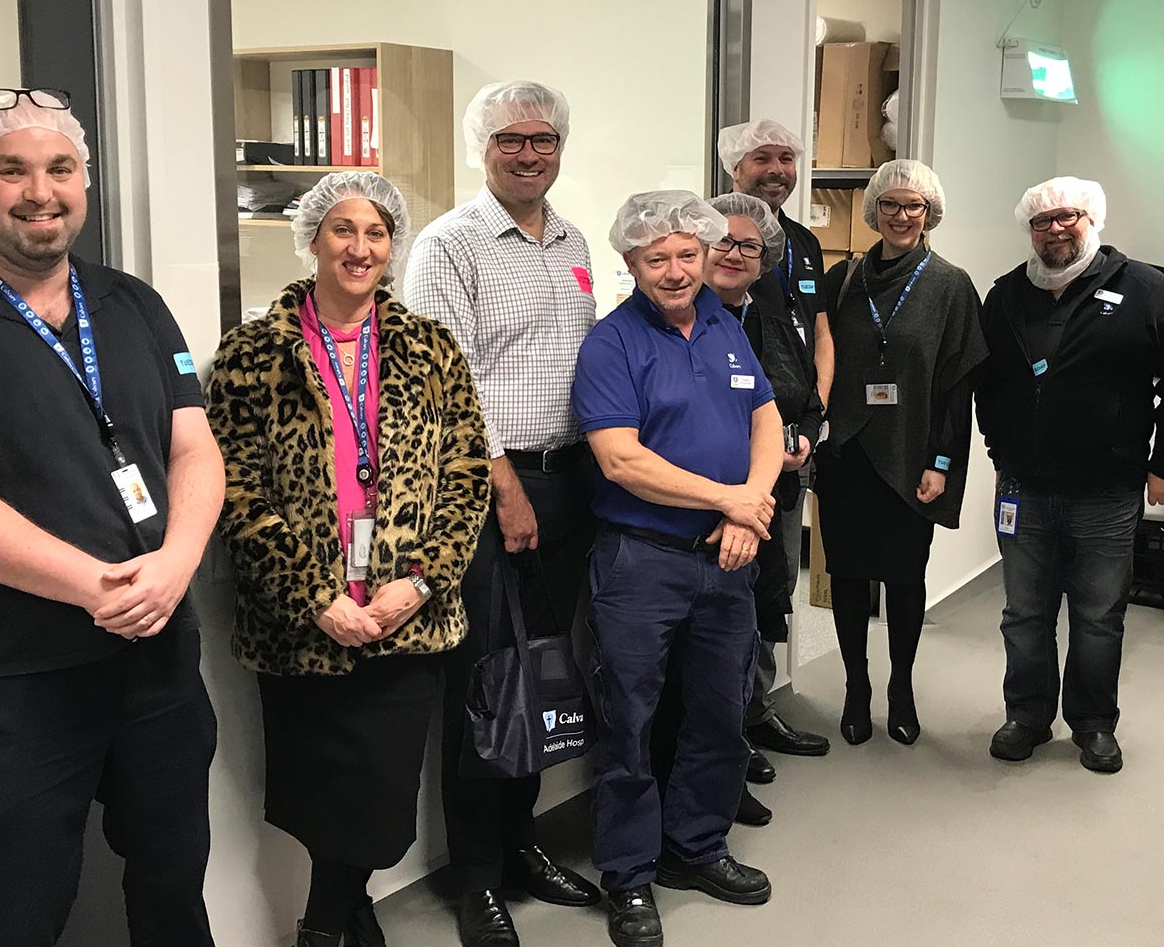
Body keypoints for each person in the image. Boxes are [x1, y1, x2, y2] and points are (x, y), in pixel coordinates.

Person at [0, 88, 224, 945]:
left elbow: (194, 451)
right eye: (10, 170)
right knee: (14, 909)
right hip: (13, 675)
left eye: (60, 168)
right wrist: (99, 587)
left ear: (84, 180)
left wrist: (173, 566)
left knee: (173, 883)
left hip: (156, 657)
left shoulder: (131, 302)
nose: (40, 191)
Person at [207, 172, 491, 947]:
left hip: (406, 619)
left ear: (392, 245)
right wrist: (314, 597)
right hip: (304, 627)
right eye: (343, 230)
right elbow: (235, 491)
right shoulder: (253, 353)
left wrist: (420, 582)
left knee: (382, 805)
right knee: (319, 795)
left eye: (375, 233)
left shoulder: (432, 348)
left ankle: (325, 925)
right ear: (313, 239)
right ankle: (340, 923)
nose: (360, 248)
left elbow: (467, 478)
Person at [405, 81, 600, 947]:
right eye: (512, 140)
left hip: (572, 483)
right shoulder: (450, 246)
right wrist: (504, 486)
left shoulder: (574, 241)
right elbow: (449, 382)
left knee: (547, 669)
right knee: (485, 684)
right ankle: (475, 876)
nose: (530, 154)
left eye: (544, 139)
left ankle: (522, 842)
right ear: (482, 147)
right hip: (490, 491)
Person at [573, 190, 783, 947]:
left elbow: (765, 415)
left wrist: (749, 506)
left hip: (728, 559)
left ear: (706, 255)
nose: (674, 269)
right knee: (628, 721)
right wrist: (732, 500)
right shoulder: (611, 344)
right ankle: (628, 876)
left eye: (686, 254)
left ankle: (696, 848)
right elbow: (620, 459)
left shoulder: (725, 325)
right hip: (642, 562)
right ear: (629, 264)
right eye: (655, 258)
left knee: (721, 711)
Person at [977, 177, 1164, 774]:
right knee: (1024, 613)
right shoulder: (1005, 296)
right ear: (1028, 229)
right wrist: (998, 446)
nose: (1055, 228)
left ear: (1093, 220)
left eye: (1068, 216)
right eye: (1042, 220)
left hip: (1107, 489)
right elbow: (986, 382)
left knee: (1099, 614)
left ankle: (1094, 724)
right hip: (1023, 488)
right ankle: (1027, 716)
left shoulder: (1145, 289)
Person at [815, 159, 988, 747]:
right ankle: (856, 688)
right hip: (847, 455)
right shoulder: (843, 280)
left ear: (929, 212)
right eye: (888, 204)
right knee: (848, 575)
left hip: (912, 457)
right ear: (873, 212)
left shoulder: (949, 285)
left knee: (904, 577)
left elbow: (956, 386)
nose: (900, 215)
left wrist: (942, 464)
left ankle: (902, 689)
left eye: (913, 205)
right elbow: (818, 365)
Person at [716, 118, 834, 770]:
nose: (778, 170)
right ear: (736, 166)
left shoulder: (804, 244)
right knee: (732, 590)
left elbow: (816, 333)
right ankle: (727, 724)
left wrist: (815, 421)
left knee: (774, 584)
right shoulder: (714, 234)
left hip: (795, 449)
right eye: (764, 157)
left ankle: (756, 709)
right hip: (739, 454)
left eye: (787, 157)